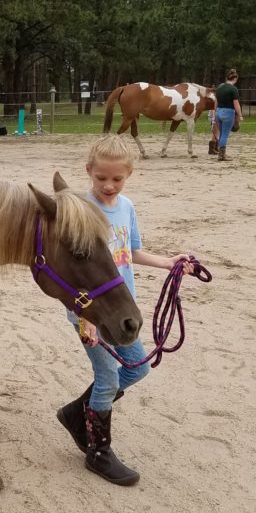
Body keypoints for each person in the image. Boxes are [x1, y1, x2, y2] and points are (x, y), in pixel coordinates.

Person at [56, 134, 193, 486]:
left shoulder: (126, 207)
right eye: (101, 178)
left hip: (120, 308)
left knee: (137, 369)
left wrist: (167, 262)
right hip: (91, 312)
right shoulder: (81, 210)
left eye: (117, 179)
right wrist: (84, 319)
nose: (108, 185)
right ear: (88, 171)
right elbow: (75, 269)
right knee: (109, 377)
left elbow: (130, 251)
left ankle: (77, 413)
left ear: (129, 175)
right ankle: (98, 452)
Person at [214, 68, 243, 161]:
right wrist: (240, 115)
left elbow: (216, 102)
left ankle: (221, 154)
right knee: (225, 134)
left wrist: (215, 112)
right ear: (235, 79)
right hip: (228, 113)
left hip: (218, 112)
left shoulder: (219, 88)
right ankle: (222, 155)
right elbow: (236, 104)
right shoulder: (233, 89)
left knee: (222, 133)